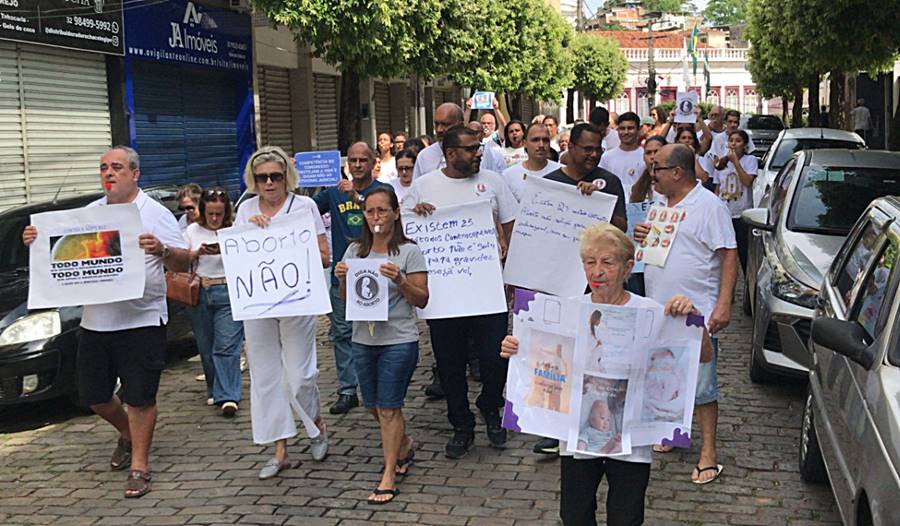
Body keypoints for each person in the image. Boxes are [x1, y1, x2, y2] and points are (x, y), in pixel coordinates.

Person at [500, 222, 713, 525]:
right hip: (577, 436)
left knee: (626, 518)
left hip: (631, 441)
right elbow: (537, 357)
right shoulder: (568, 311)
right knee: (574, 516)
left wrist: (693, 322)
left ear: (628, 267)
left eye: (607, 263)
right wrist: (515, 347)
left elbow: (703, 356)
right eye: (590, 262)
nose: (597, 272)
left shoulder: (653, 313)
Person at [22, 146, 191, 498]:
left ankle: (140, 466)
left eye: (116, 167)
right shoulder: (89, 214)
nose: (109, 174)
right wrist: (36, 242)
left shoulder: (155, 213)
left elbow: (184, 262)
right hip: (97, 322)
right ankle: (128, 433)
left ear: (135, 173)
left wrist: (162, 250)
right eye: (103, 168)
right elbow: (62, 259)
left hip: (142, 319)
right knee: (94, 396)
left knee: (140, 396)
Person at [401, 125, 517, 458]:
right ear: (450, 154)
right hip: (444, 296)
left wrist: (512, 273)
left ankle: (490, 405)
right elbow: (405, 231)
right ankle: (461, 425)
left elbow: (512, 227)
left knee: (496, 359)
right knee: (450, 365)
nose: (479, 153)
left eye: (479, 147)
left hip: (487, 291)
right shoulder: (423, 187)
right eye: (471, 149)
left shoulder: (493, 182)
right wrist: (415, 214)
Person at [634, 143, 738, 484]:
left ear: (677, 172)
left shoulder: (709, 206)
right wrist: (642, 236)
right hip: (660, 308)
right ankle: (670, 430)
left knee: (703, 383)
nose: (652, 175)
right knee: (665, 373)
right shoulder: (659, 204)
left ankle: (709, 451)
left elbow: (729, 254)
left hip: (697, 310)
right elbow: (654, 250)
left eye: (657, 169)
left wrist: (723, 303)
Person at [236, 146, 331, 479]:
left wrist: (284, 236)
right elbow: (235, 255)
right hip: (258, 304)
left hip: (296, 300)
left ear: (286, 177)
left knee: (300, 376)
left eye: (275, 176)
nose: (269, 183)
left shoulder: (304, 207)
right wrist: (251, 231)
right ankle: (280, 449)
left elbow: (324, 256)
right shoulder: (245, 209)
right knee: (265, 376)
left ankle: (316, 424)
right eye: (262, 177)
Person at [334, 187, 429, 505]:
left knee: (389, 407)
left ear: (395, 213)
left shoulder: (409, 251)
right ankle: (404, 443)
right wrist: (342, 279)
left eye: (382, 210)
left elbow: (422, 299)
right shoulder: (354, 251)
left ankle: (388, 474)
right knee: (373, 404)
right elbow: (347, 301)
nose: (376, 217)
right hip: (364, 339)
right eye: (370, 211)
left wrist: (401, 280)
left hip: (398, 339)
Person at [314, 142, 390, 414]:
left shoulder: (383, 191)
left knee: (377, 331)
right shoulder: (334, 193)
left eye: (363, 160)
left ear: (373, 162)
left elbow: (387, 223)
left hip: (379, 274)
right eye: (353, 160)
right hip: (344, 274)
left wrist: (357, 198)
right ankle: (347, 390)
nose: (357, 165)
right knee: (343, 333)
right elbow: (304, 210)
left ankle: (379, 386)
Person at [183, 187, 244, 415]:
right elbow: (181, 258)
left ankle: (228, 396)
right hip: (200, 291)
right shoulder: (192, 230)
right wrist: (197, 253)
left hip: (228, 290)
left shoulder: (235, 229)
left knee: (226, 345)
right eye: (211, 214)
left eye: (219, 214)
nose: (215, 218)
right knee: (206, 346)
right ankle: (214, 388)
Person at [543, 122, 628, 232]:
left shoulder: (611, 181)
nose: (594, 154)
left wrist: (599, 200)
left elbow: (622, 228)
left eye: (598, 150)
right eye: (588, 149)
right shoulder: (550, 183)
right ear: (571, 147)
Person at [412, 103, 506, 179]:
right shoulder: (424, 156)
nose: (439, 130)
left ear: (460, 125)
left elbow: (495, 184)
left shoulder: (484, 154)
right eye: (436, 124)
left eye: (445, 124)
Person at [713, 130, 757, 274]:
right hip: (725, 213)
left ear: (744, 145)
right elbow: (718, 188)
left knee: (743, 251)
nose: (733, 144)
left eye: (738, 141)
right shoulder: (721, 164)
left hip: (741, 213)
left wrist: (736, 163)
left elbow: (747, 181)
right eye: (731, 140)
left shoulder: (750, 160)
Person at [501, 122, 561, 202]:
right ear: (525, 143)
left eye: (545, 140)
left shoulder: (562, 172)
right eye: (535, 140)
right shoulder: (508, 175)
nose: (541, 145)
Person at [599, 112, 645, 196]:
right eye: (622, 128)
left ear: (638, 130)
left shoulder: (645, 156)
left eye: (630, 128)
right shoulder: (607, 157)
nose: (626, 132)